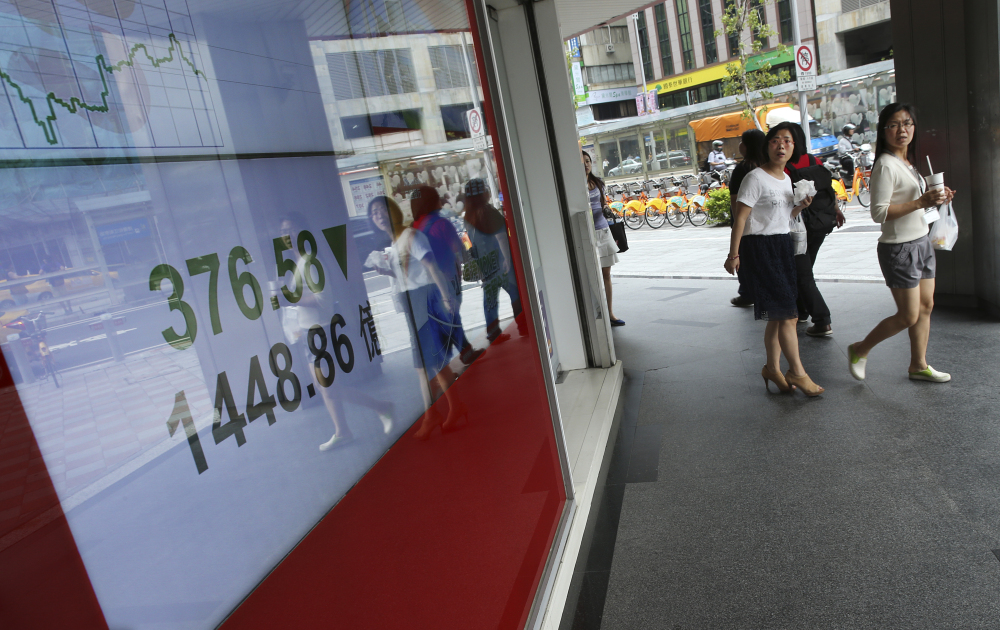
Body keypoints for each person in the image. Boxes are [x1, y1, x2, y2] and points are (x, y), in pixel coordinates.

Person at [847, 103, 955, 383]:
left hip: (922, 240)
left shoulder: (908, 162)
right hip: (899, 247)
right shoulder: (885, 165)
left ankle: (918, 365)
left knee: (926, 306)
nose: (902, 130)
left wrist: (936, 198)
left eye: (907, 123)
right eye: (894, 125)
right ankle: (860, 349)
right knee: (908, 315)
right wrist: (921, 201)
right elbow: (878, 213)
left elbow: (917, 203)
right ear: (884, 132)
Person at [277, 212, 394, 451]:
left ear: (303, 232)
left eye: (291, 229)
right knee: (326, 388)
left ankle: (374, 411)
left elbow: (323, 300)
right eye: (283, 232)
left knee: (329, 388)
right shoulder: (300, 263)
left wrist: (291, 298)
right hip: (309, 333)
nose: (287, 235)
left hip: (320, 332)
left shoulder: (311, 263)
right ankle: (346, 428)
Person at [724, 122, 824, 396]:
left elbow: (781, 219)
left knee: (780, 316)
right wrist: (733, 254)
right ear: (767, 145)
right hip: (760, 248)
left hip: (781, 246)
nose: (781, 146)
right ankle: (797, 372)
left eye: (788, 141)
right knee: (788, 314)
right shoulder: (755, 178)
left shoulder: (786, 179)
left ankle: (772, 368)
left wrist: (799, 207)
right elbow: (741, 217)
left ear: (795, 147)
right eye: (776, 140)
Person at [367, 196, 469, 438]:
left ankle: (435, 413)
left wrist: (447, 298)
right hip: (414, 303)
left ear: (393, 211)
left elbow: (431, 268)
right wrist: (385, 270)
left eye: (382, 210)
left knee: (427, 363)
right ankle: (446, 409)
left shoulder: (412, 237)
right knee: (426, 364)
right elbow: (405, 275)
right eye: (374, 214)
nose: (379, 216)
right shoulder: (395, 242)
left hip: (426, 301)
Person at [411, 185, 484, 365]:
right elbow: (458, 249)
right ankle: (460, 354)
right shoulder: (442, 224)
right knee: (451, 315)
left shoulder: (414, 228)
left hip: (425, 284)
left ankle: (454, 355)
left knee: (443, 318)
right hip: (448, 278)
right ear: (434, 201)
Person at [784, 123, 845, 337]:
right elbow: (827, 188)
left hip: (799, 227)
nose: (781, 145)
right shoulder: (813, 160)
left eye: (785, 140)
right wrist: (836, 210)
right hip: (820, 223)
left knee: (802, 273)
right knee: (804, 269)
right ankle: (801, 310)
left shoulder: (783, 166)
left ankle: (822, 319)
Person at [462, 178, 525, 342]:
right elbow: (501, 237)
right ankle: (523, 326)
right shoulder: (489, 212)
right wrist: (507, 260)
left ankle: (493, 332)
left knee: (489, 298)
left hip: (484, 263)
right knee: (515, 293)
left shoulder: (468, 216)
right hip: (499, 261)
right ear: (484, 193)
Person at [582, 150, 624, 326]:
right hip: (587, 234)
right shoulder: (576, 185)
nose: (586, 165)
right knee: (591, 275)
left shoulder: (597, 182)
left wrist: (606, 207)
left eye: (588, 161)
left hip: (603, 231)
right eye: (582, 162)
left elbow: (603, 202)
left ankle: (610, 313)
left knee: (606, 274)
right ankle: (596, 314)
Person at [728, 129, 767, 308]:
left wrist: (738, 229)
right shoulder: (770, 166)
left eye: (742, 141)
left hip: (750, 228)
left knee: (748, 262)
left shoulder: (743, 169)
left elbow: (736, 203)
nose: (740, 145)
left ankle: (750, 295)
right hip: (771, 227)